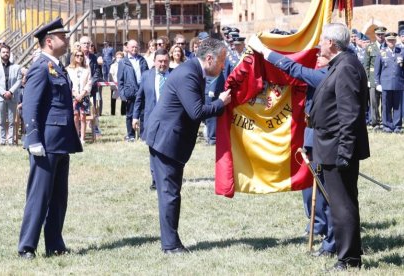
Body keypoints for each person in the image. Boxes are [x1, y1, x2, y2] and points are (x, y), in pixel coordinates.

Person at [247, 34, 335, 257]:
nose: (316, 58)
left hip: (325, 138)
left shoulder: (327, 74)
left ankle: (331, 236)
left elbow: (294, 69)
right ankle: (317, 224)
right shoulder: (320, 72)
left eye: (320, 54)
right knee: (311, 184)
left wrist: (265, 51)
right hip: (310, 135)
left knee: (328, 189)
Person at [145, 38, 231, 254]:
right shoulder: (188, 73)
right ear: (209, 58)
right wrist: (221, 103)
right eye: (221, 62)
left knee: (171, 192)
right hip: (165, 140)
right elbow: (197, 112)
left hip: (169, 139)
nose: (223, 67)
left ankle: (171, 242)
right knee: (169, 193)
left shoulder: (194, 70)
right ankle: (170, 245)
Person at [18, 18, 83, 259]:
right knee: (39, 196)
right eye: (62, 36)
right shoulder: (41, 66)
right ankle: (27, 247)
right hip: (44, 142)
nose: (66, 40)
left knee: (58, 198)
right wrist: (33, 137)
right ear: (49, 41)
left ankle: (54, 244)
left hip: (61, 141)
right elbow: (31, 106)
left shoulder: (57, 66)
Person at [309, 23, 369, 271]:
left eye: (322, 40)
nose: (320, 44)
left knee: (342, 205)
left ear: (331, 43)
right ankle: (350, 254)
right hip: (331, 145)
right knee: (343, 203)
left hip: (337, 148)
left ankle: (348, 259)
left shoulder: (345, 67)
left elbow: (350, 114)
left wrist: (344, 151)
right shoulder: (341, 64)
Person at [132, 48, 171, 190]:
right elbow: (139, 98)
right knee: (154, 151)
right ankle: (156, 180)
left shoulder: (174, 75)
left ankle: (168, 177)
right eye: (160, 61)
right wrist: (135, 116)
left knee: (168, 150)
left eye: (166, 61)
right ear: (154, 61)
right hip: (151, 120)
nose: (163, 64)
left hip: (170, 121)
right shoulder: (146, 76)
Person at [0, 44, 22, 145]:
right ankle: (3, 140)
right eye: (3, 52)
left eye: (7, 52)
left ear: (10, 53)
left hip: (12, 97)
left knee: (12, 120)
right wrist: (4, 92)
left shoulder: (16, 67)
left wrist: (10, 91)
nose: (5, 54)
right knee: (2, 120)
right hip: (0, 97)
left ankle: (11, 140)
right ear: (0, 53)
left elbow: (19, 80)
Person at [117, 39, 148, 142]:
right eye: (132, 47)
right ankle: (131, 135)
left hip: (142, 91)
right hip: (130, 92)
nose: (134, 49)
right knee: (130, 115)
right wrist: (122, 95)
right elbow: (120, 80)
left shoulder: (142, 60)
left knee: (143, 114)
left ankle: (143, 136)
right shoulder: (123, 62)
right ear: (128, 48)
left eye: (136, 47)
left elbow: (147, 75)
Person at [374, 32, 404, 134]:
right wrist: (377, 83)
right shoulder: (381, 52)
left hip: (398, 83)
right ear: (386, 41)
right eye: (389, 40)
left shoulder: (401, 52)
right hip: (386, 84)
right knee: (386, 106)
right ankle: (387, 126)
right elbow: (377, 70)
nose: (391, 42)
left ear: (396, 41)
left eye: (393, 40)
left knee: (397, 106)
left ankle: (397, 126)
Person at [66, 50, 92, 144]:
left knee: (83, 116)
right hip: (73, 95)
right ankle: (76, 137)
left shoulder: (87, 68)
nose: (79, 57)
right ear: (74, 56)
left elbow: (89, 82)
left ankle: (82, 138)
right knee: (75, 116)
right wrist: (75, 94)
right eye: (77, 55)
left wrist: (82, 94)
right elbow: (68, 83)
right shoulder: (69, 69)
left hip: (84, 95)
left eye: (81, 56)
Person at [365, 26, 387, 129]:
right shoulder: (370, 47)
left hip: (385, 78)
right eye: (379, 34)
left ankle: (384, 121)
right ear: (375, 35)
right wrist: (368, 79)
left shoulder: (388, 46)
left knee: (385, 101)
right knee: (374, 102)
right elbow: (367, 65)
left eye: (382, 34)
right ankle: (375, 122)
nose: (381, 36)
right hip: (373, 78)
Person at [80, 36, 102, 134]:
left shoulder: (93, 57)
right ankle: (79, 131)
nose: (86, 45)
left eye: (88, 43)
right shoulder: (74, 56)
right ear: (80, 45)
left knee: (93, 110)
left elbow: (97, 73)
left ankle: (94, 129)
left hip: (91, 88)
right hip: (79, 89)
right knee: (79, 112)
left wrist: (90, 84)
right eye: (84, 43)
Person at [109, 51, 126, 116]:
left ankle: (123, 113)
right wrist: (113, 84)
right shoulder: (113, 66)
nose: (119, 58)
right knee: (113, 99)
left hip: (122, 85)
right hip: (114, 85)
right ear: (115, 58)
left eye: (120, 57)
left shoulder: (125, 65)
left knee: (123, 99)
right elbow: (111, 75)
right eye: (118, 57)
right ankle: (112, 113)